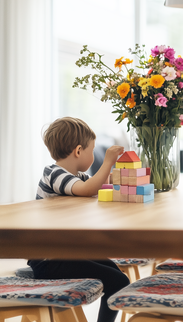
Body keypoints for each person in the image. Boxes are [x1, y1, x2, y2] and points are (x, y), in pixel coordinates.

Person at [29, 117, 130, 322]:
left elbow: (99, 187)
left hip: (66, 253)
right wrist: (107, 161)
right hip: (49, 260)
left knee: (116, 273)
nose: (94, 155)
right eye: (92, 150)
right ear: (78, 151)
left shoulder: (77, 177)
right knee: (118, 281)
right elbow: (88, 190)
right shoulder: (54, 174)